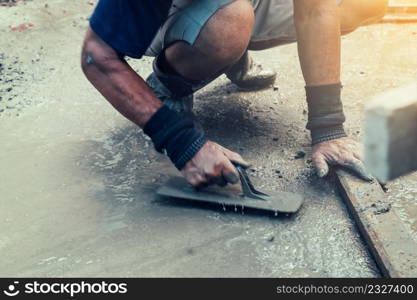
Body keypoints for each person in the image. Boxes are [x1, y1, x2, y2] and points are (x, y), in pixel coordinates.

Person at [81, 0, 387, 187]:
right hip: (169, 13)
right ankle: (172, 78)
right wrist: (181, 143)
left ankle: (229, 49)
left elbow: (316, 8)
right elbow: (97, 55)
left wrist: (328, 128)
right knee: (230, 22)